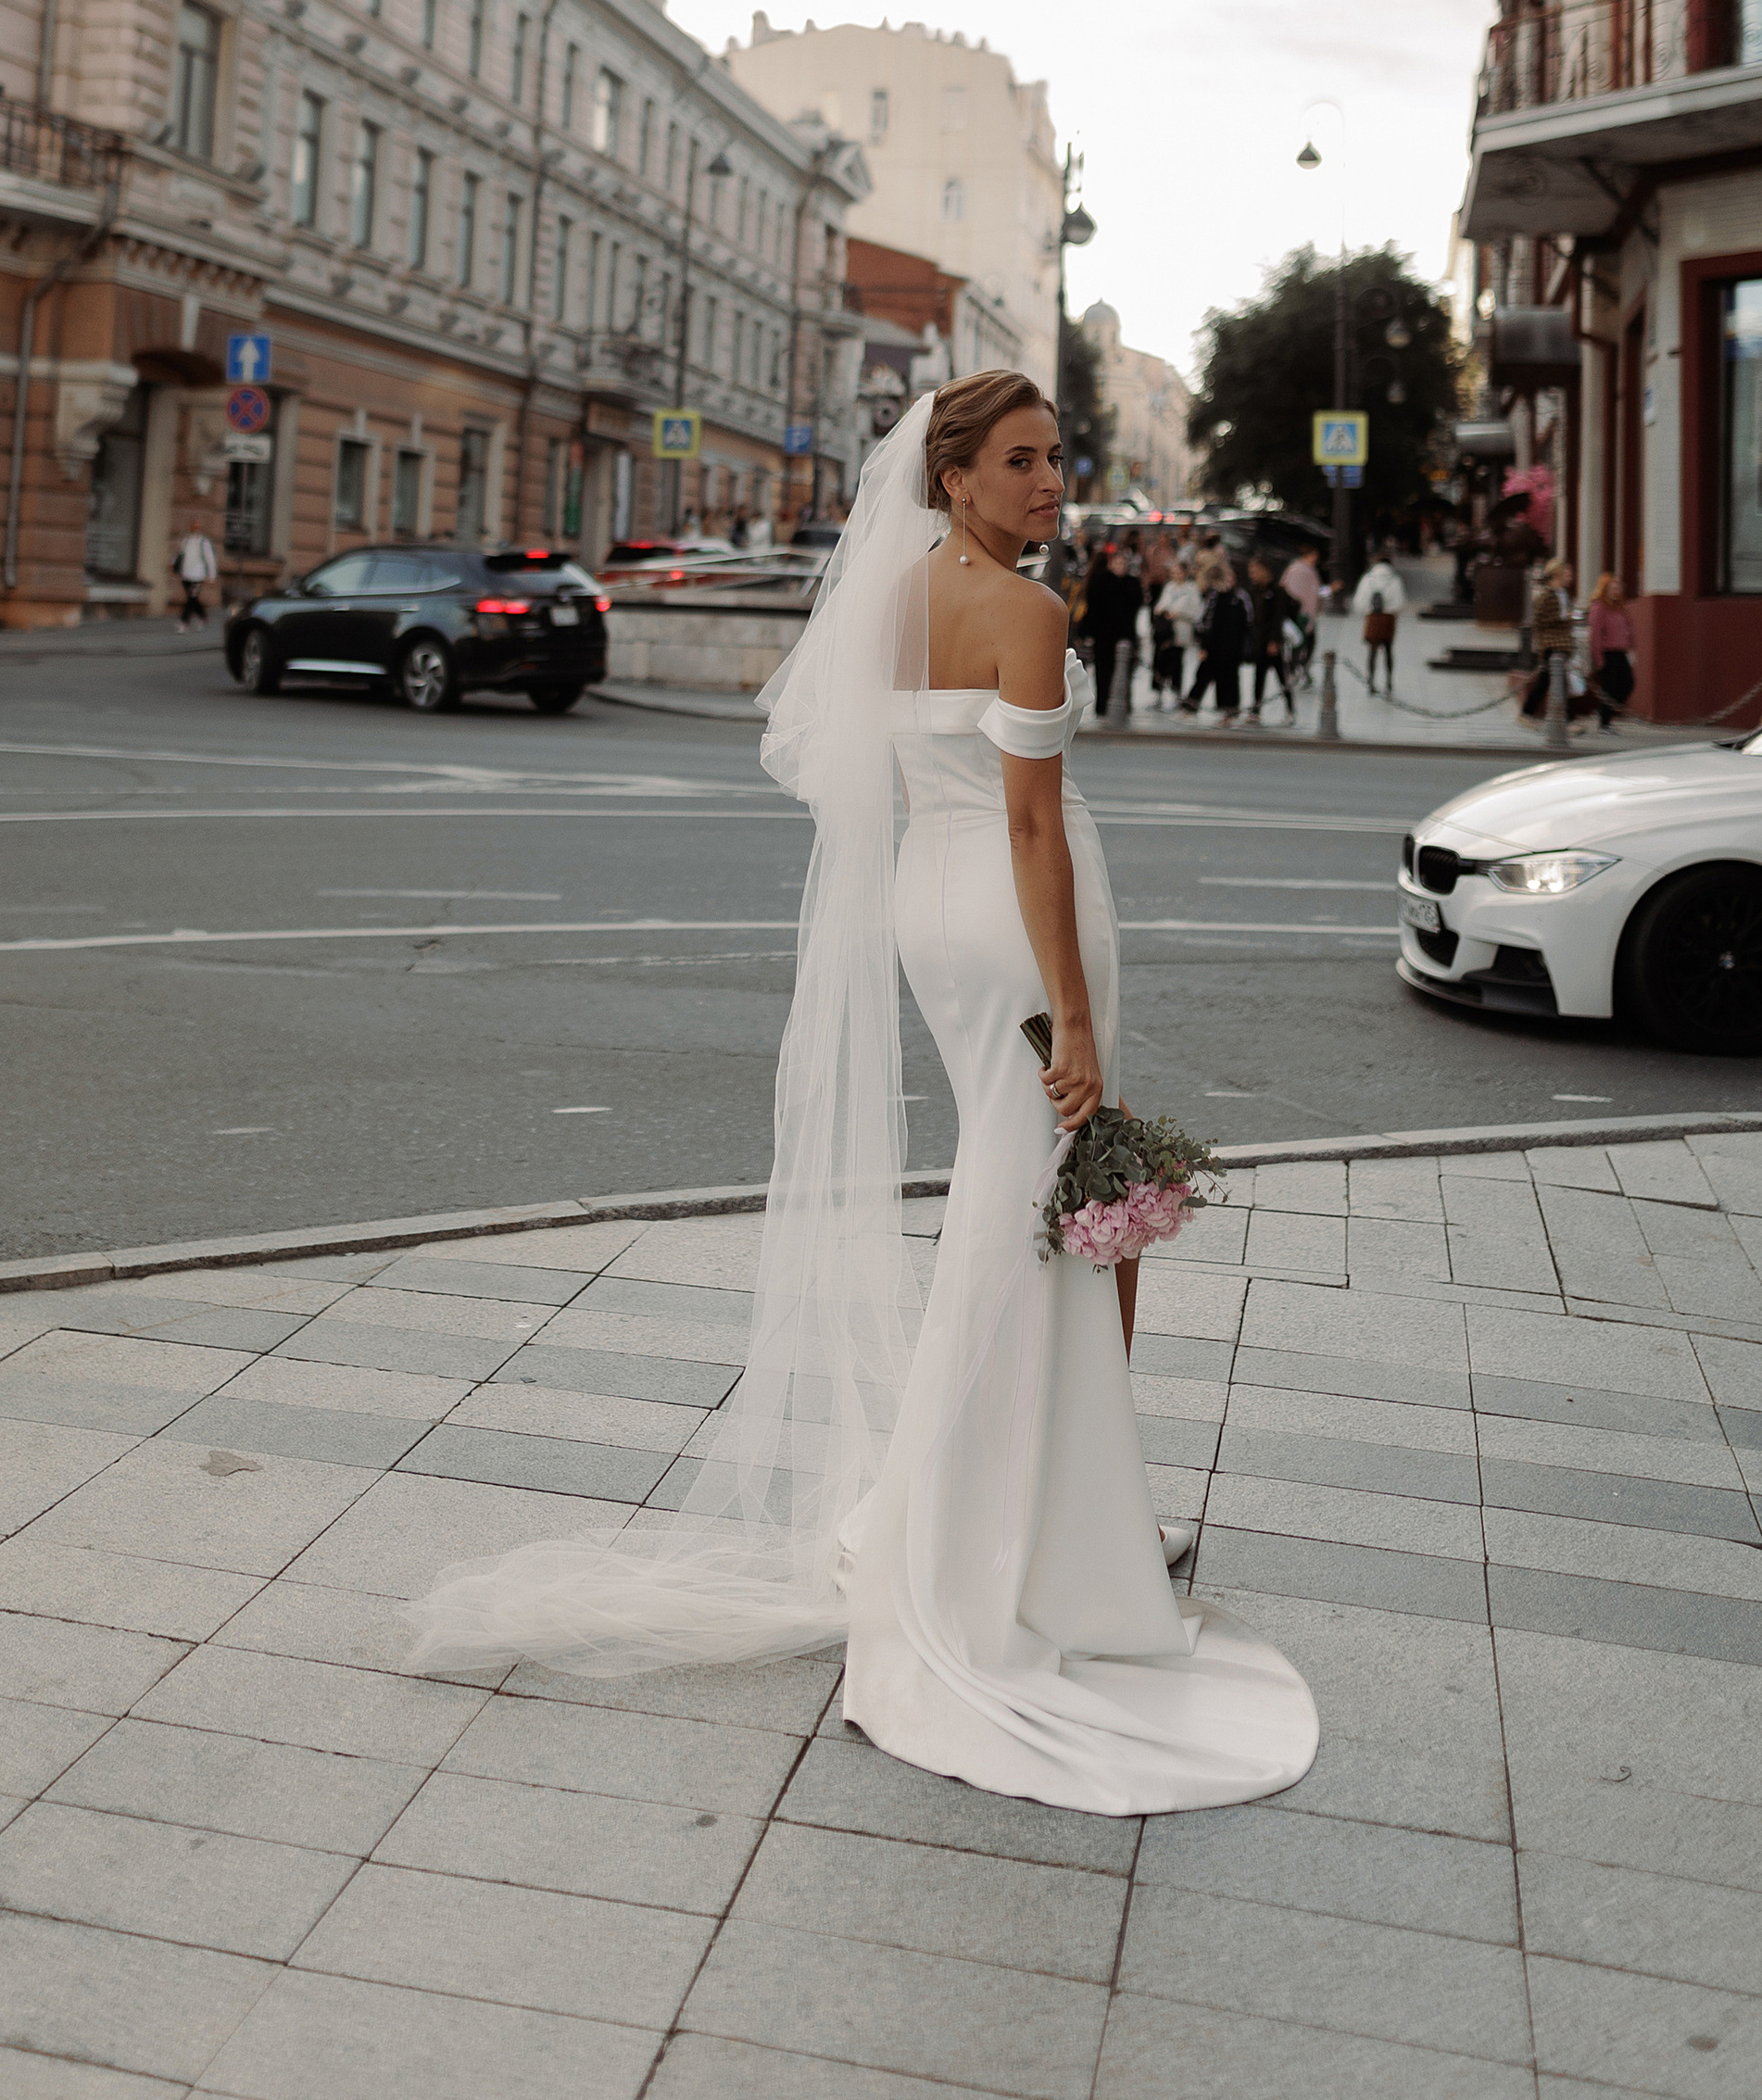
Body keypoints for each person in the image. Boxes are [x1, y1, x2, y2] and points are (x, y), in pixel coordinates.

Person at [404, 372, 1318, 1817]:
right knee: (1036, 1207)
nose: (1049, 482)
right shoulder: (1028, 614)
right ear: (952, 476)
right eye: (1019, 461)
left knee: (1033, 1196)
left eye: (1056, 457)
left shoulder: (890, 601)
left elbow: (876, 778)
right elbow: (1031, 825)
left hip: (927, 912)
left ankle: (1062, 1510)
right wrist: (1071, 1007)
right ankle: (992, 1542)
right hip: (1023, 924)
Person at [1083, 540, 1144, 719]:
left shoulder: (1132, 583)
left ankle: (1125, 704)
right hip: (1104, 633)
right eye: (1117, 563)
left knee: (1125, 669)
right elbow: (1093, 607)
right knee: (1103, 669)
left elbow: (1137, 603)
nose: (1120, 567)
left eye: (1123, 564)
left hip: (1125, 633)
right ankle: (1101, 705)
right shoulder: (1101, 581)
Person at [1186, 558, 1249, 719]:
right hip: (1213, 647)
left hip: (1232, 648)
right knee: (1203, 676)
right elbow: (1205, 621)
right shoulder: (1213, 597)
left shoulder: (1241, 598)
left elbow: (1248, 622)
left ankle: (1229, 711)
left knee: (1229, 680)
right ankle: (1190, 707)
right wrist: (1204, 645)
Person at [1523, 559, 1578, 723]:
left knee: (1549, 681)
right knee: (1556, 682)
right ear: (1557, 574)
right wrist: (1564, 618)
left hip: (1562, 643)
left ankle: (1528, 712)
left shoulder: (1563, 594)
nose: (1571, 576)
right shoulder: (1546, 595)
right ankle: (1564, 719)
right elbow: (1539, 620)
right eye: (1567, 573)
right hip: (1551, 645)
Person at [1350, 542, 1405, 693]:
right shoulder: (1395, 579)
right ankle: (1389, 682)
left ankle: (1371, 682)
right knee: (1388, 651)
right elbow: (1400, 603)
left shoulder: (1368, 579)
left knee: (1372, 652)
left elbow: (1359, 601)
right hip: (1388, 618)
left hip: (1373, 618)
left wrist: (1367, 611)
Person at [1246, 558, 1295, 722]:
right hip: (1259, 640)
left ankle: (1290, 710)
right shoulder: (1253, 590)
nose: (1251, 575)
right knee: (1258, 676)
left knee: (1282, 676)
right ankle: (1256, 710)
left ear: (1265, 570)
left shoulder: (1277, 591)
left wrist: (1275, 640)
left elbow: (1278, 617)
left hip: (1272, 642)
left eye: (1254, 571)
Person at [1586, 571, 1636, 727]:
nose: (1616, 590)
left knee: (1628, 683)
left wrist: (1632, 647)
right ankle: (1605, 722)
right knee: (1610, 687)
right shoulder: (1599, 607)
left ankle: (1605, 712)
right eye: (1613, 588)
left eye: (1618, 587)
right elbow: (1595, 635)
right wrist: (1599, 660)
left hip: (1621, 653)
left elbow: (1628, 628)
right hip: (1607, 654)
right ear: (1605, 589)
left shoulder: (1620, 607)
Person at [1151, 558, 1202, 708]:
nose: (1176, 574)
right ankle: (1157, 692)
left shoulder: (1192, 589)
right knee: (1160, 662)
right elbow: (1159, 605)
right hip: (1165, 632)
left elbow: (1196, 611)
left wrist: (1178, 613)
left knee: (1176, 664)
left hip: (1180, 632)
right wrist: (1164, 611)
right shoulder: (1169, 587)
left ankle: (1176, 693)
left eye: (1179, 571)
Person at [172, 524, 217, 634]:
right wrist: (172, 563)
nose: (194, 529)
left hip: (198, 576)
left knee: (191, 599)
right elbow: (179, 553)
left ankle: (184, 622)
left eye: (197, 527)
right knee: (192, 599)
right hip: (186, 574)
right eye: (193, 526)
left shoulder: (203, 541)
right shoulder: (186, 539)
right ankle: (203, 617)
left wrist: (212, 575)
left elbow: (210, 559)